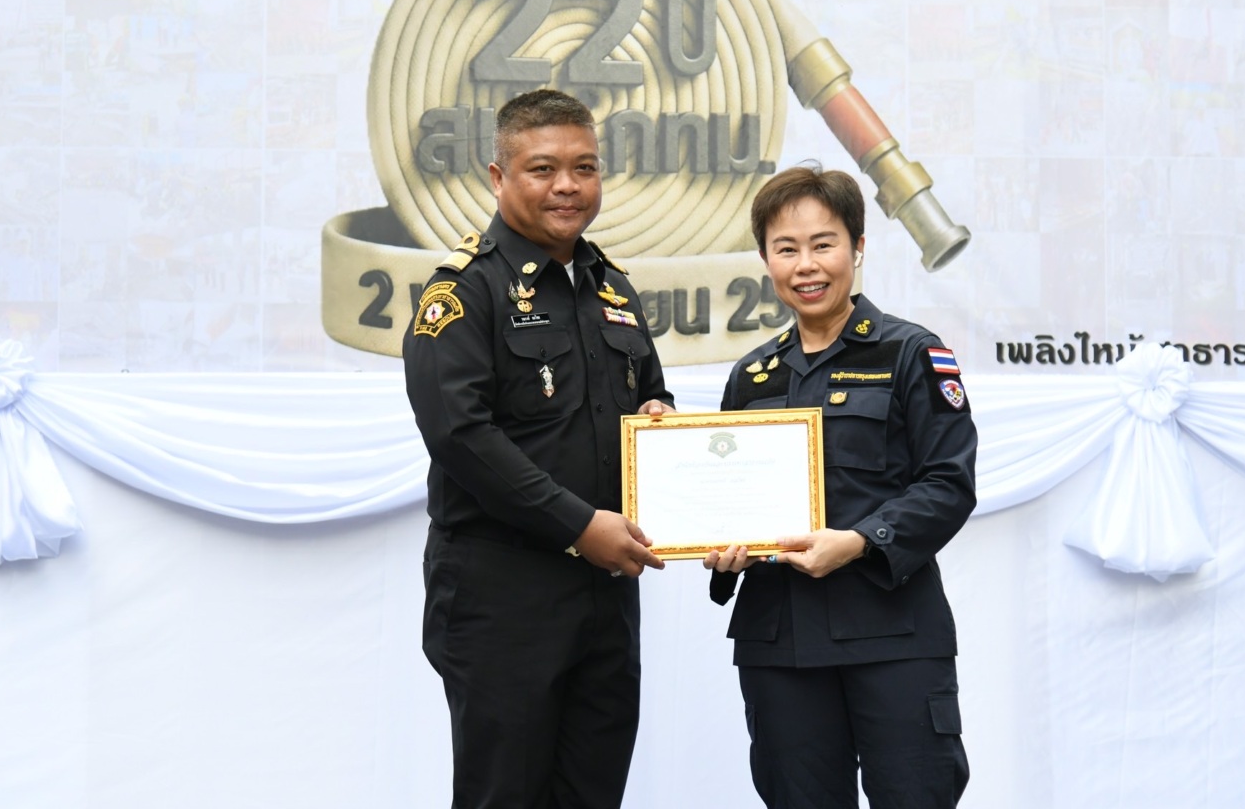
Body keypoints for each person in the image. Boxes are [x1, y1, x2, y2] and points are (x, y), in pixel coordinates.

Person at [404, 89, 674, 809]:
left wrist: (661, 422)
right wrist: (580, 526)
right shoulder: (465, 292)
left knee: (593, 793)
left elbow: (651, 391)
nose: (567, 186)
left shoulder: (611, 287)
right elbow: (461, 437)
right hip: (503, 594)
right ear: (499, 177)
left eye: (584, 167)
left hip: (605, 594)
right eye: (543, 168)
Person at [704, 165, 978, 809]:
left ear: (857, 247)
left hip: (893, 636)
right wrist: (719, 551)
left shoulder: (911, 353)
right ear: (766, 260)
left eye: (823, 244)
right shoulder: (752, 377)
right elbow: (724, 499)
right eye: (786, 248)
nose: (806, 265)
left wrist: (859, 541)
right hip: (779, 646)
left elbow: (948, 484)